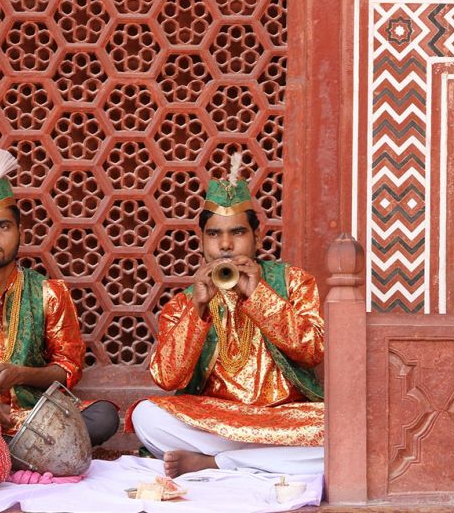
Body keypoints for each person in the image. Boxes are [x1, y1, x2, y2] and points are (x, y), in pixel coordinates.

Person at [130, 153, 325, 478]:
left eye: (237, 233)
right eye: (214, 234)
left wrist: (259, 295)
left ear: (256, 238)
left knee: (341, 431)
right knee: (146, 416)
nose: (225, 245)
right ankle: (259, 462)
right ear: (202, 242)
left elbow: (313, 350)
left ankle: (218, 464)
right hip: (216, 418)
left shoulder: (293, 282)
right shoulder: (185, 302)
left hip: (285, 417)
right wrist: (199, 310)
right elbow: (167, 379)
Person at [0, 149, 118, 489]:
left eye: (3, 226)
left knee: (103, 417)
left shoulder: (48, 292)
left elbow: (69, 369)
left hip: (35, 419)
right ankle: (12, 457)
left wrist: (22, 375)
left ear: (20, 232)